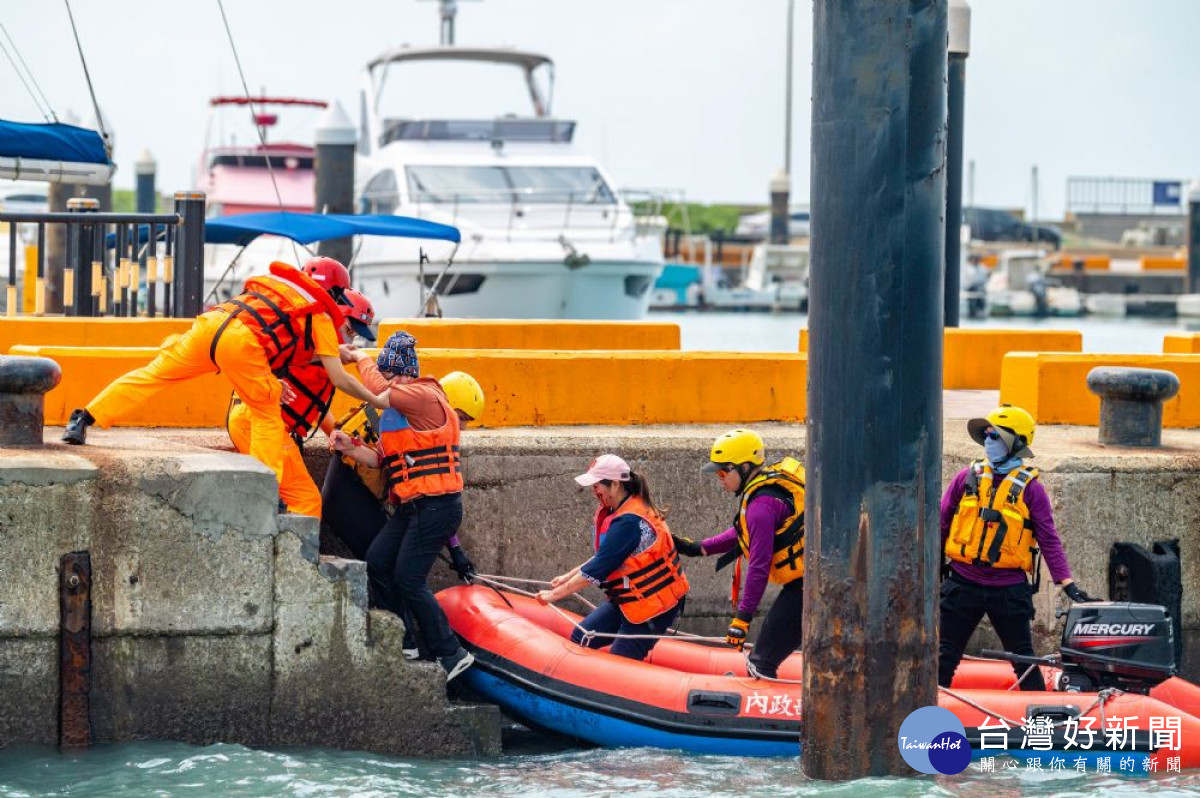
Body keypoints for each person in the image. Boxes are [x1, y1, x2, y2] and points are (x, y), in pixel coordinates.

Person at [61, 258, 389, 509]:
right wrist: (375, 400)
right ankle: (266, 492)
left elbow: (279, 334)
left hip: (214, 324)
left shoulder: (278, 285)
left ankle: (84, 416)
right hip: (243, 345)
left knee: (154, 374)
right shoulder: (318, 313)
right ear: (334, 292)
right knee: (266, 414)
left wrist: (329, 354)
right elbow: (338, 378)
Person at [330, 332, 476, 680]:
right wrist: (350, 447)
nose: (390, 382)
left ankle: (450, 652)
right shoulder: (398, 416)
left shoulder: (425, 394)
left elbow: (378, 392)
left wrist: (359, 358)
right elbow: (380, 460)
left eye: (393, 374)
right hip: (412, 508)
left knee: (410, 578)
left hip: (438, 506)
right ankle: (405, 639)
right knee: (378, 561)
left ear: (407, 373)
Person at [939, 404, 1095, 691]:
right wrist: (934, 564)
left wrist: (1066, 582)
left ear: (1016, 443)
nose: (988, 441)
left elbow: (1048, 537)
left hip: (1008, 590)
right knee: (943, 657)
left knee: (1024, 660)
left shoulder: (1031, 489)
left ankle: (1043, 726)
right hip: (962, 585)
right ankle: (930, 718)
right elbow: (942, 521)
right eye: (986, 434)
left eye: (995, 436)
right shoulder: (966, 477)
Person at [225, 288, 377, 518]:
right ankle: (285, 554)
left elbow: (312, 402)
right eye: (349, 329)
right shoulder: (307, 339)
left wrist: (334, 431)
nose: (351, 338)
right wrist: (373, 389)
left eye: (355, 335)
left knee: (279, 501)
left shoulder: (317, 344)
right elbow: (342, 380)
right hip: (257, 423)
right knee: (307, 502)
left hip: (254, 421)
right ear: (336, 318)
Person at [671, 429, 805, 679]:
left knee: (762, 662)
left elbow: (759, 566)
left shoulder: (761, 506)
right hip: (809, 581)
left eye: (723, 471)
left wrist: (742, 620)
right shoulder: (765, 491)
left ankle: (772, 716)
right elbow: (744, 533)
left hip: (805, 589)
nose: (719, 478)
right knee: (767, 653)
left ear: (744, 467)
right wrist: (698, 547)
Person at [537, 454, 689, 662]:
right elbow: (607, 556)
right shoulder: (623, 510)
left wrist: (554, 595)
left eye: (597, 485)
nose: (594, 491)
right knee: (581, 637)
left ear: (615, 485)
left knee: (621, 663)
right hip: (628, 600)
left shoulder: (629, 522)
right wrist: (566, 577)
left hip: (652, 607)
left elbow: (598, 568)